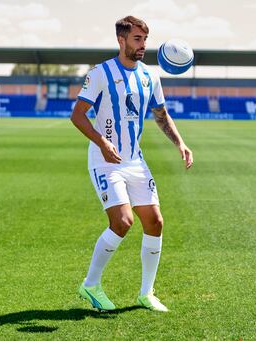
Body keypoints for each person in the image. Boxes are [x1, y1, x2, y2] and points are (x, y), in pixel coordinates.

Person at [70, 15, 193, 312]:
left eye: (145, 40)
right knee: (122, 221)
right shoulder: (100, 73)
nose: (143, 46)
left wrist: (180, 143)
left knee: (155, 222)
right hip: (105, 160)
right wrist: (102, 142)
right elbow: (77, 115)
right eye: (137, 39)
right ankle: (90, 285)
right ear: (121, 40)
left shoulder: (150, 76)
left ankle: (146, 293)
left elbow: (161, 114)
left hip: (135, 160)